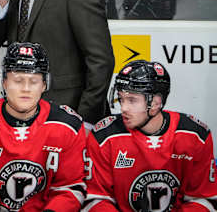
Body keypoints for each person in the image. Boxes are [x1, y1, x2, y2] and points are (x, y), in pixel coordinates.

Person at [0, 42, 87, 211]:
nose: (26, 89)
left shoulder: (67, 125)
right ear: (4, 82)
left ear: (45, 84)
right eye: (18, 80)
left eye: (34, 81)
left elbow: (70, 189)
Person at [83, 60, 217, 211]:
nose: (123, 108)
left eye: (132, 100)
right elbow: (96, 199)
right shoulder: (105, 136)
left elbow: (203, 199)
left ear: (155, 103)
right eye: (121, 98)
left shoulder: (194, 136)